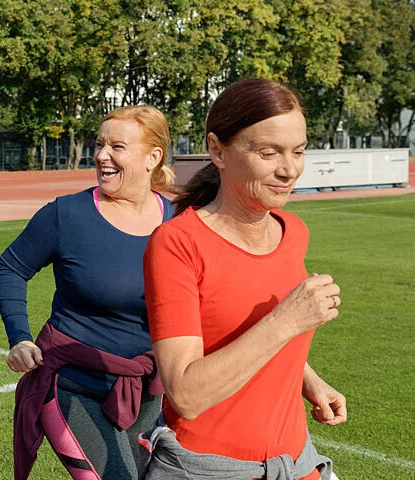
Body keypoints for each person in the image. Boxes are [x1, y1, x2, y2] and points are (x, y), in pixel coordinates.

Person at [140, 79, 346, 480]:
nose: (288, 170)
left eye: (298, 152)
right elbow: (186, 395)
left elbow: (240, 328)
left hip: (297, 463)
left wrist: (308, 380)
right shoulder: (177, 244)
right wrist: (287, 320)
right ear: (217, 150)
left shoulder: (294, 232)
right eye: (269, 153)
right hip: (209, 470)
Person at [0, 105, 177, 480]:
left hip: (149, 392)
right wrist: (19, 337)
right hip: (72, 384)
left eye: (117, 147)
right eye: (99, 145)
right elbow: (11, 267)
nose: (101, 156)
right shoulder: (67, 215)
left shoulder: (180, 223)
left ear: (153, 157)